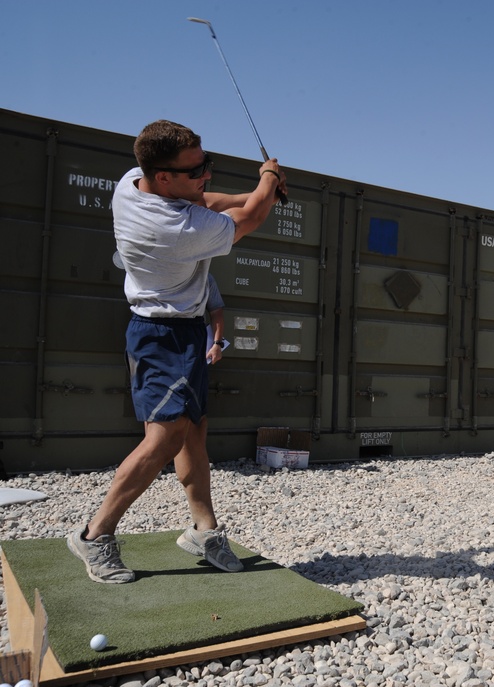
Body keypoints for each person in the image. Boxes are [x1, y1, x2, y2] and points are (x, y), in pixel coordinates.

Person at [67, 119, 286, 583]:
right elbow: (250, 218)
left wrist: (255, 188)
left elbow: (206, 199)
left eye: (207, 163)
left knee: (194, 433)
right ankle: (95, 535)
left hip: (182, 332)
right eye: (196, 169)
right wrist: (268, 180)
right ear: (164, 177)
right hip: (161, 334)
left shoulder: (132, 184)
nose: (206, 175)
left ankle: (203, 530)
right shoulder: (174, 228)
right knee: (164, 437)